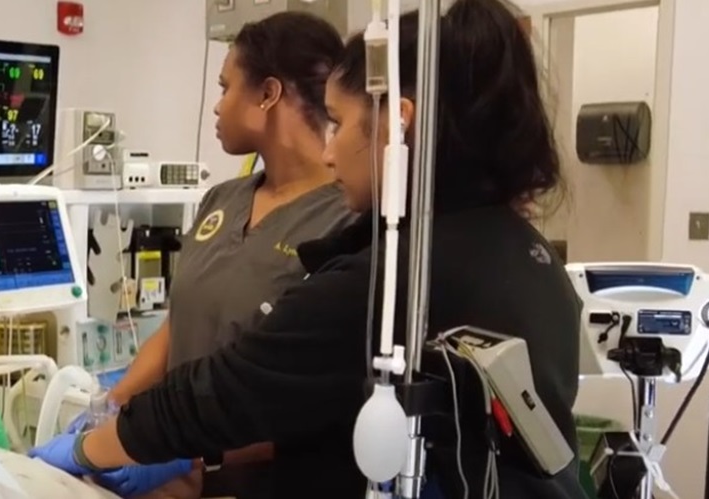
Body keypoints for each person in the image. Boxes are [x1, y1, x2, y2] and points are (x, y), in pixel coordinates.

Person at [30, 1, 588, 498]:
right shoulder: (528, 255)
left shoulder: (392, 280)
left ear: (397, 127)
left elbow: (231, 387)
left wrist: (86, 452)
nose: (330, 153)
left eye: (341, 124)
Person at [78, 11, 353, 499]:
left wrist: (190, 453)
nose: (217, 106)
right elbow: (176, 327)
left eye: (226, 87)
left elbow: (319, 401)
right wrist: (112, 408)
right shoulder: (220, 201)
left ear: (268, 94)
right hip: (168, 471)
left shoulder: (345, 223)